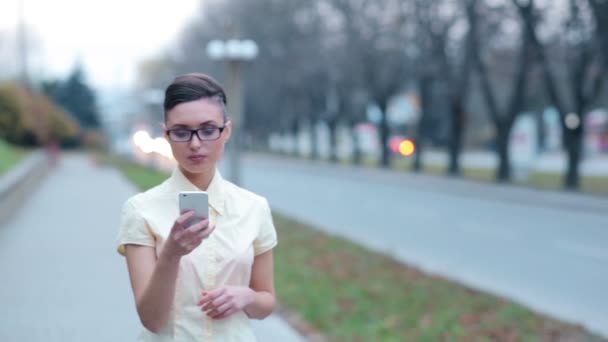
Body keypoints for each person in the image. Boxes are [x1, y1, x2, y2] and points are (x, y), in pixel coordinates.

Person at [116, 73, 278, 341]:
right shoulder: (140, 210)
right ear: (166, 134)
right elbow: (152, 320)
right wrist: (171, 254)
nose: (195, 143)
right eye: (181, 132)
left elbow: (266, 302)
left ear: (226, 131)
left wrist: (247, 297)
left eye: (208, 129)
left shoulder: (254, 207)